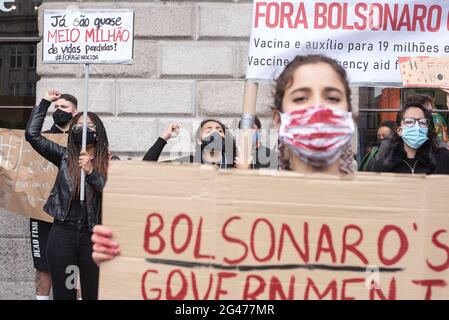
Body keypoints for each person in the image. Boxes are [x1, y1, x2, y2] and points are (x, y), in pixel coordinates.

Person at [91, 54, 358, 265]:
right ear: (278, 119)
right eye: (301, 97)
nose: (317, 109)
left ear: (350, 112)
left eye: (332, 97)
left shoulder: (381, 206)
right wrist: (125, 252)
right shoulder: (250, 189)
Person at [25, 89, 109, 300]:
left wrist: (91, 171)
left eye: (89, 126)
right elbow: (32, 136)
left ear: (98, 132)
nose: (83, 129)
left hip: (93, 233)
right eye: (78, 126)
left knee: (93, 292)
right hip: (63, 231)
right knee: (63, 293)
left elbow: (112, 193)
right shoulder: (64, 157)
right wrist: (44, 102)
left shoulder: (109, 162)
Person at [29, 92, 78, 301]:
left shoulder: (83, 140)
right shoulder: (44, 138)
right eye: (55, 107)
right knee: (43, 265)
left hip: (73, 214)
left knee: (76, 266)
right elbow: (31, 136)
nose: (59, 111)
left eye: (64, 107)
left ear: (75, 112)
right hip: (42, 211)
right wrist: (45, 103)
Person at [372, 100, 449, 174]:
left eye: (422, 122)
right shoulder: (384, 164)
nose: (417, 127)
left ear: (427, 128)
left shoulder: (443, 159)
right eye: (409, 122)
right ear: (399, 130)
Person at [143, 119, 236, 169]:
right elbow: (146, 168)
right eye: (208, 130)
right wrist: (164, 138)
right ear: (199, 140)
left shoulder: (235, 163)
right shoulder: (188, 163)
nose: (215, 133)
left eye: (219, 130)